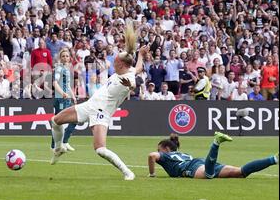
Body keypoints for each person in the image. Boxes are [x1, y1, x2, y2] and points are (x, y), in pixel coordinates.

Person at [50, 24, 148, 180]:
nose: (112, 62)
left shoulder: (127, 77)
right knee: (55, 121)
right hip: (89, 105)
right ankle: (58, 148)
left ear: (121, 64)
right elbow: (138, 67)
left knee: (100, 149)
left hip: (101, 113)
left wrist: (130, 86)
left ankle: (127, 172)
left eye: (115, 61)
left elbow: (133, 84)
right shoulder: (128, 69)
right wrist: (141, 55)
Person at [148, 132, 278, 179]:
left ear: (166, 148)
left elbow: (151, 156)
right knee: (240, 173)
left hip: (192, 167)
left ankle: (216, 143)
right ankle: (274, 159)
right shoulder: (183, 154)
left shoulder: (167, 156)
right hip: (200, 162)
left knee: (208, 175)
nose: (158, 151)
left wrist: (152, 173)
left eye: (159, 149)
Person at [51, 48, 77, 151]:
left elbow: (67, 85)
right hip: (60, 99)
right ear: (60, 58)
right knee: (58, 123)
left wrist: (73, 96)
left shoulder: (67, 69)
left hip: (67, 98)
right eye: (63, 56)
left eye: (67, 56)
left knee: (75, 120)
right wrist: (62, 93)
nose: (65, 58)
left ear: (69, 57)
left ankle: (65, 142)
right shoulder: (59, 68)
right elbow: (55, 83)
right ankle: (54, 146)